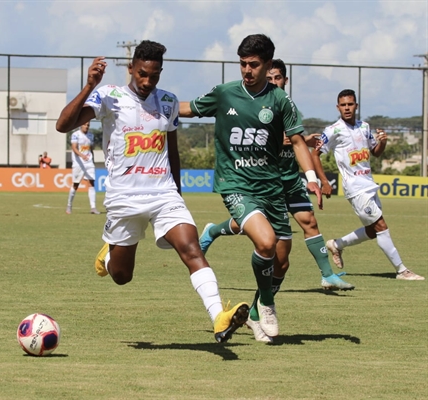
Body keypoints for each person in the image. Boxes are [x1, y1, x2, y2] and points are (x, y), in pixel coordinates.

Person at [56, 40, 249, 343]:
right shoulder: (109, 97)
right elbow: (62, 125)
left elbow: (173, 153)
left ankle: (219, 317)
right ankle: (108, 258)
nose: (147, 82)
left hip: (163, 195)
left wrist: (178, 195)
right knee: (122, 276)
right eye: (142, 74)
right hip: (124, 199)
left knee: (191, 248)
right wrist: (88, 86)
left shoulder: (168, 102)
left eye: (154, 75)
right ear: (131, 68)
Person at [179, 35, 323, 343]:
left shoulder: (281, 102)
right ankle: (267, 303)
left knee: (282, 260)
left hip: (272, 188)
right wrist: (150, 103)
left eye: (254, 65)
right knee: (266, 242)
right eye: (243, 63)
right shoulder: (225, 94)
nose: (247, 70)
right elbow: (189, 109)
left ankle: (256, 311)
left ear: (268, 65)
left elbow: (298, 141)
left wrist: (310, 175)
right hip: (236, 184)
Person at [198, 59, 355, 296]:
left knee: (309, 221)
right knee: (255, 228)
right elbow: (279, 139)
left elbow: (296, 142)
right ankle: (212, 231)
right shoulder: (256, 107)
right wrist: (298, 140)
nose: (273, 82)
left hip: (290, 178)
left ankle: (327, 275)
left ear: (285, 80)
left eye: (277, 78)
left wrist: (313, 173)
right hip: (266, 181)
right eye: (269, 78)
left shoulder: (286, 105)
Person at [311, 89, 424, 281]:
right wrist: (323, 181)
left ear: (356, 106)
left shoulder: (364, 127)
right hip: (355, 188)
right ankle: (402, 270)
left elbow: (376, 152)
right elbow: (315, 154)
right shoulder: (333, 130)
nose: (347, 108)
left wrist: (383, 142)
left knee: (373, 230)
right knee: (381, 226)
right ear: (338, 107)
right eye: (343, 105)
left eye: (350, 104)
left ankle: (337, 245)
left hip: (369, 184)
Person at [65, 121, 100, 215]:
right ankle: (69, 205)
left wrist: (93, 160)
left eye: (88, 125)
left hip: (89, 163)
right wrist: (82, 156)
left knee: (91, 183)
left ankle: (93, 207)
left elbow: (91, 149)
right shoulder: (75, 135)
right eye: (85, 124)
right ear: (81, 125)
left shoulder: (91, 136)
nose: (87, 126)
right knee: (76, 184)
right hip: (78, 163)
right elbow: (74, 148)